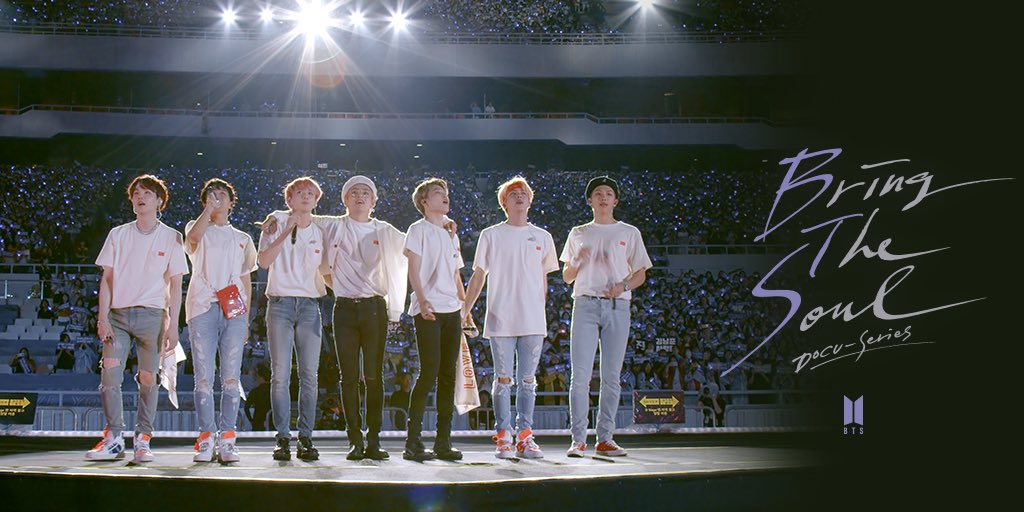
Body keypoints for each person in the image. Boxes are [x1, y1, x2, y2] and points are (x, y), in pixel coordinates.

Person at [262, 176, 407, 461]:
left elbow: (415, 242)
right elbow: (300, 212)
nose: (360, 196)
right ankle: (355, 440)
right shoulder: (332, 225)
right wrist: (274, 216)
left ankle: (374, 440)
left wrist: (444, 225)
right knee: (348, 378)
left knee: (374, 377)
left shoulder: (385, 230)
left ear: (374, 200)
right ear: (344, 199)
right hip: (343, 308)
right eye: (354, 192)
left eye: (366, 192)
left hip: (375, 307)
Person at [87, 174, 189, 463]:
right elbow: (107, 279)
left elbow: (176, 285)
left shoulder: (172, 237)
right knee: (110, 372)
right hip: (117, 316)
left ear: (159, 201)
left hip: (152, 316)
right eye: (136, 193)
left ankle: (143, 439)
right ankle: (114, 438)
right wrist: (102, 318)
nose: (140, 197)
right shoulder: (117, 234)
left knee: (148, 378)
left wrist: (174, 325)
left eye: (147, 193)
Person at [463, 177, 558, 459]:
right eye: (513, 193)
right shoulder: (491, 235)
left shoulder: (543, 237)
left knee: (528, 380)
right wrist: (465, 310)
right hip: (501, 315)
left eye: (523, 193)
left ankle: (525, 437)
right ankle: (504, 436)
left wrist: (539, 310)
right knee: (503, 379)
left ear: (530, 200)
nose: (519, 196)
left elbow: (543, 280)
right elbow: (478, 275)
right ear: (503, 202)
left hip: (532, 319)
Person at [560, 176, 652, 458]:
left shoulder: (629, 232)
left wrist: (622, 286)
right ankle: (578, 440)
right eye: (598, 193)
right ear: (590, 200)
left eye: (608, 193)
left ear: (615, 201)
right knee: (580, 376)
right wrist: (578, 261)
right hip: (585, 303)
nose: (603, 197)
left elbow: (641, 273)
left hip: (617, 305)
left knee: (612, 377)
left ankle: (605, 439)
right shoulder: (578, 232)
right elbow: (567, 276)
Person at [184, 179, 257, 463]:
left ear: (231, 202)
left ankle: (227, 438)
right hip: (202, 305)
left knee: (230, 377)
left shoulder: (243, 238)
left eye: (222, 194)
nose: (217, 198)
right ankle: (206, 437)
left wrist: (246, 318)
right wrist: (208, 210)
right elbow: (193, 239)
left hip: (234, 308)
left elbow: (245, 280)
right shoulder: (196, 227)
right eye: (211, 195)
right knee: (203, 377)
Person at [257, 177, 326, 461]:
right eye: (300, 192)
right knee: (280, 374)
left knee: (310, 375)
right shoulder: (275, 223)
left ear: (317, 199)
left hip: (309, 305)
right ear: (289, 199)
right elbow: (263, 261)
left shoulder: (321, 230)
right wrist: (286, 230)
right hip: (280, 304)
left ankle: (306, 437)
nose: (306, 196)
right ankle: (283, 437)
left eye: (311, 193)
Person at [403, 178, 468, 461]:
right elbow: (413, 269)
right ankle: (413, 441)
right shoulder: (417, 229)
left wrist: (466, 309)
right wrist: (422, 299)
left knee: (447, 376)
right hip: (427, 307)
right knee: (429, 372)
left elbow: (455, 274)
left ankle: (443, 441)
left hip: (452, 309)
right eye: (438, 193)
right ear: (424, 202)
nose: (445, 197)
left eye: (446, 193)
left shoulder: (451, 233)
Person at [244, 364, 272, 431]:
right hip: (273, 423)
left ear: (261, 378)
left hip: (258, 423)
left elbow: (246, 408)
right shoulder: (274, 391)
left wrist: (251, 421)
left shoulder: (255, 392)